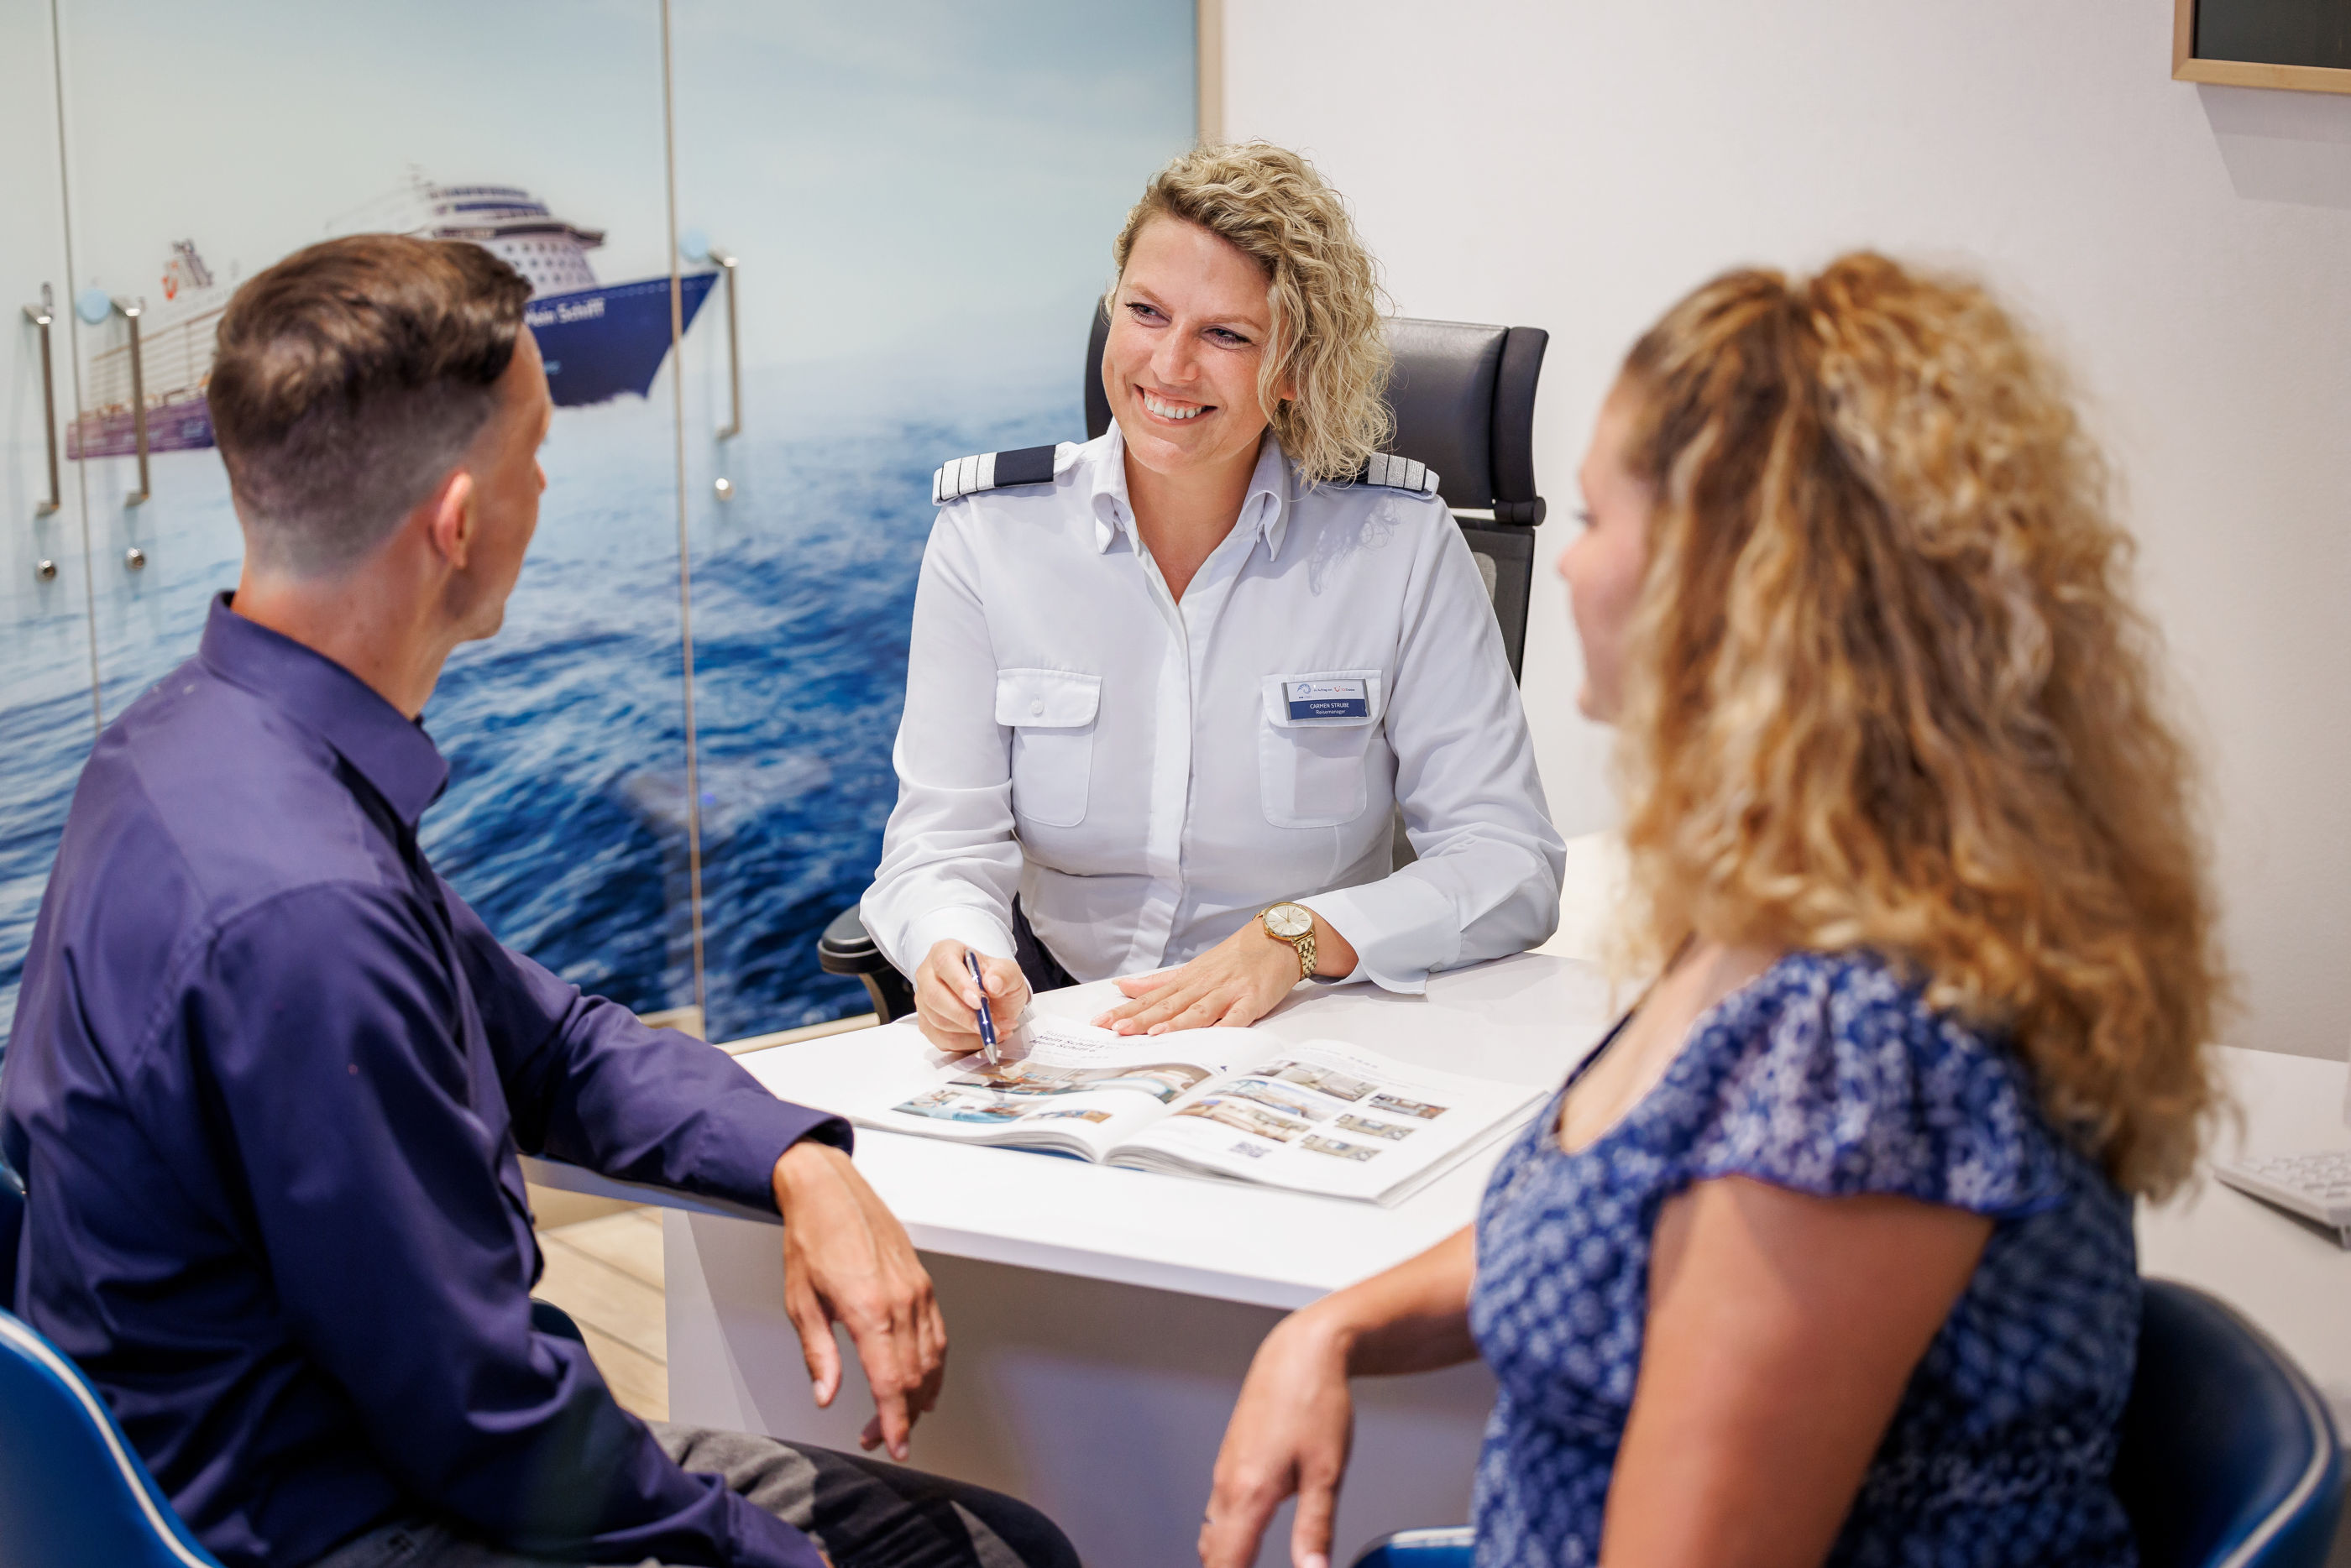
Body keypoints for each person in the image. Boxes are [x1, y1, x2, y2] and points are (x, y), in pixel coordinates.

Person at [0, 235, 1076, 1568]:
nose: (545, 489)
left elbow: (549, 1042)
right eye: (534, 459)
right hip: (333, 1523)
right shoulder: (307, 910)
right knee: (985, 1554)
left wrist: (801, 1155)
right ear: (459, 522)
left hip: (243, 1467)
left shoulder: (178, 753)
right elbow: (487, 1420)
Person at [1198, 253, 2224, 1568]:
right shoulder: (1784, 921)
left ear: (1730, 577)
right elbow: (1610, 1218)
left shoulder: (1861, 1050)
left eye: (1590, 522)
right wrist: (1330, 1328)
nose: (1562, 573)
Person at [862, 142, 1566, 1056]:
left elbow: (1510, 861)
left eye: (1225, 335)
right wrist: (957, 952)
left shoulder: (1396, 543)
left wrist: (1297, 939)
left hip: (1312, 1026)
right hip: (1066, 1027)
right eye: (1145, 312)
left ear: (1293, 367)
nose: (1169, 365)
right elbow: (940, 844)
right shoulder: (992, 536)